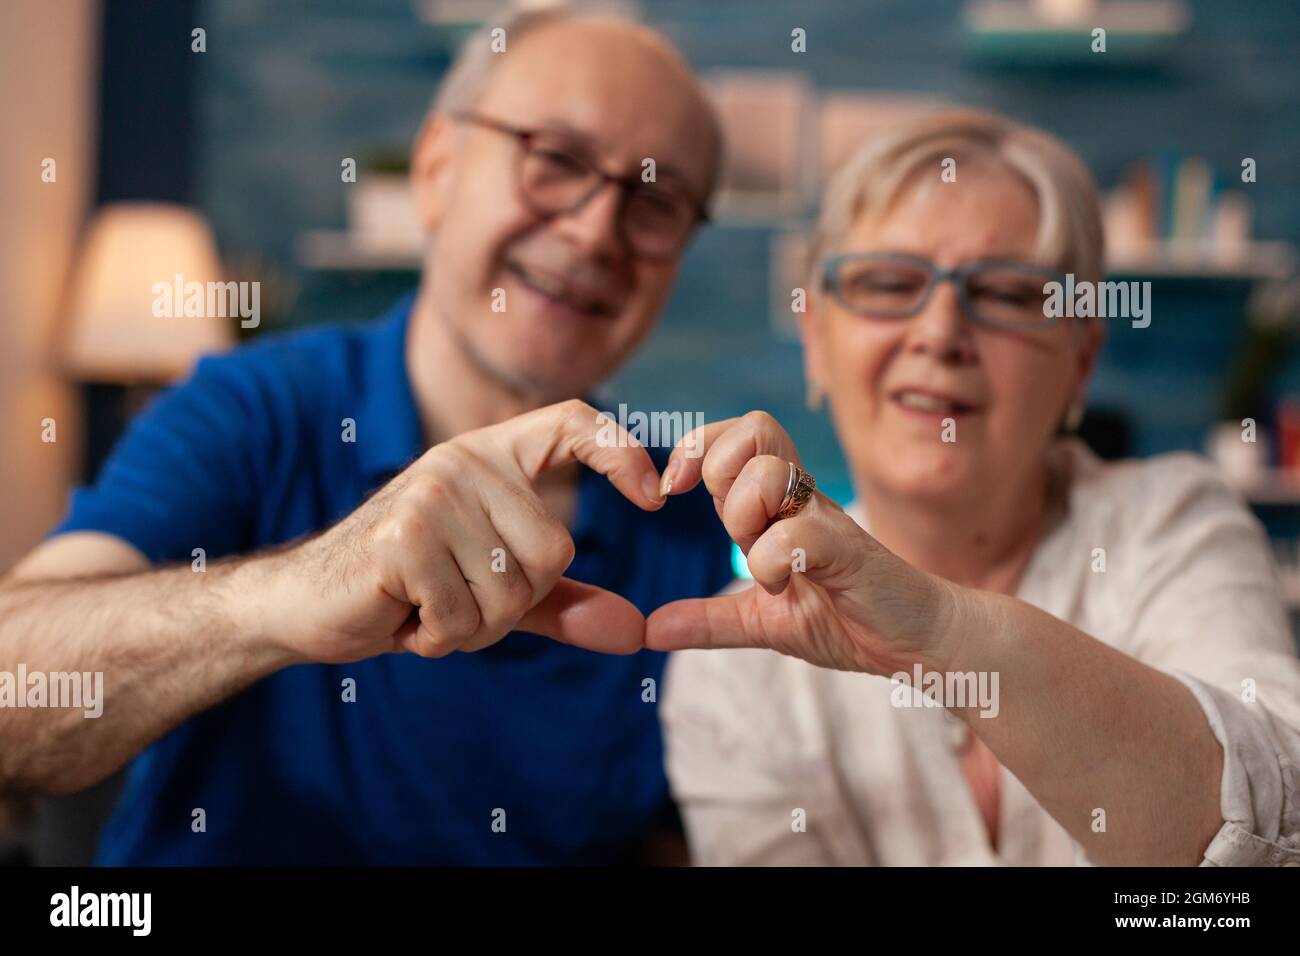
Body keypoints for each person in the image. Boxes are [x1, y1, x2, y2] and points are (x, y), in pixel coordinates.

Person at [0, 10, 733, 864]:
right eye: (556, 161)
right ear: (435, 169)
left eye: (654, 200)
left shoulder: (680, 515)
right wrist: (294, 592)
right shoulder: (252, 409)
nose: (596, 231)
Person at [654, 109, 1300, 866]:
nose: (939, 332)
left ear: (1079, 362)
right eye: (888, 283)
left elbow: (1279, 824)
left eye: (1005, 293)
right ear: (817, 345)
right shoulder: (738, 657)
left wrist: (940, 631)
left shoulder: (1173, 523)